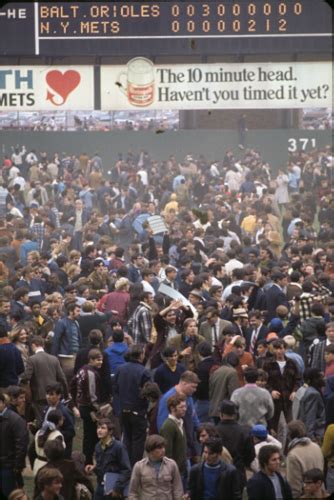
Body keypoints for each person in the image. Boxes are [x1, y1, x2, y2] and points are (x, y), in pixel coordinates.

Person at [113, 345, 151, 466]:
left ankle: (126, 464)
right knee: (138, 441)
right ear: (141, 355)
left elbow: (115, 388)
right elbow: (149, 391)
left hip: (123, 409)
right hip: (138, 410)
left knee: (127, 438)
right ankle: (136, 466)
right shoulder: (144, 371)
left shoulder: (120, 369)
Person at [70, 348, 106, 465]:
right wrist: (98, 409)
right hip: (90, 408)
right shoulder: (90, 373)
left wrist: (76, 401)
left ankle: (87, 460)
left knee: (88, 436)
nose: (100, 362)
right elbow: (92, 395)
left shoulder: (82, 369)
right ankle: (89, 462)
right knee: (92, 437)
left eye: (101, 360)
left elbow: (72, 385)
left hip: (82, 406)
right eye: (98, 360)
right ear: (91, 360)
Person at [22, 336, 68, 420]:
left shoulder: (32, 359)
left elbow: (26, 377)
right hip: (54, 394)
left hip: (39, 396)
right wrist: (66, 393)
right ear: (43, 345)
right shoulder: (54, 359)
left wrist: (20, 379)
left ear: (33, 345)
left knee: (42, 419)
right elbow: (62, 378)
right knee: (54, 418)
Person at [85, 418, 131, 500]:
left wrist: (117, 488)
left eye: (103, 428)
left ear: (110, 431)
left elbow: (126, 470)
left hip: (114, 488)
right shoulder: (98, 446)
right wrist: (94, 468)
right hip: (100, 486)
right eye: (98, 428)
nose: (99, 430)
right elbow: (102, 466)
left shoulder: (119, 447)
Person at [128, 435, 184, 500]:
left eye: (163, 447)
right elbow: (132, 492)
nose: (163, 450)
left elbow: (178, 490)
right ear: (150, 450)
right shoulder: (139, 466)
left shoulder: (171, 464)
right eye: (159, 448)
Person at [263, 339, 300, 436]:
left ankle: (290, 446)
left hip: (288, 399)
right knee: (272, 426)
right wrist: (271, 391)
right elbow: (264, 381)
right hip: (274, 400)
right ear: (273, 350)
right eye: (276, 349)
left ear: (285, 349)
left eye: (281, 348)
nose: (279, 351)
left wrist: (294, 391)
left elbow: (298, 379)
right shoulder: (268, 364)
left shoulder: (292, 363)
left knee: (291, 426)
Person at [216, 400, 255, 488]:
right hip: (239, 472)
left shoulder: (214, 431)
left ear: (221, 414)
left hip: (218, 472)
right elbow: (251, 455)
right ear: (234, 415)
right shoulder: (244, 431)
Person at [0, 392, 29, 498]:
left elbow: (21, 445)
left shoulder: (15, 420)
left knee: (10, 495)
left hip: (9, 466)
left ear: (3, 403)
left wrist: (17, 467)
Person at [286, 420, 324, 499]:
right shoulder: (316, 447)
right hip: (320, 493)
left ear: (289, 435)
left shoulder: (293, 455)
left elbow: (294, 487)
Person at [40, 383, 75, 458]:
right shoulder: (45, 409)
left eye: (51, 394)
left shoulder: (64, 412)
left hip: (60, 452)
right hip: (46, 449)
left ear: (59, 396)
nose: (48, 397)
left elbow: (71, 432)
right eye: (47, 394)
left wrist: (55, 434)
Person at [159, 394, 188, 486]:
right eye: (181, 407)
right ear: (172, 408)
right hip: (174, 473)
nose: (185, 409)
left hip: (182, 469)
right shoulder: (168, 426)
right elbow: (167, 453)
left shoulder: (180, 423)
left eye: (185, 406)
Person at [51, 302, 82, 383]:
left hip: (75, 353)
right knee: (68, 377)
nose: (79, 313)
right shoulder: (62, 323)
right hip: (66, 355)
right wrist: (54, 356)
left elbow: (78, 338)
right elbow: (56, 340)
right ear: (71, 312)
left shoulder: (76, 322)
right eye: (78, 311)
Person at [33, 410, 66, 476]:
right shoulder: (57, 435)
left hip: (37, 465)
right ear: (59, 421)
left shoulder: (39, 432)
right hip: (50, 468)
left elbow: (31, 450)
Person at [297, 368, 326, 441]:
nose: (324, 378)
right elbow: (310, 418)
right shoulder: (313, 394)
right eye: (321, 377)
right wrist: (311, 439)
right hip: (315, 435)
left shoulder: (305, 390)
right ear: (314, 379)